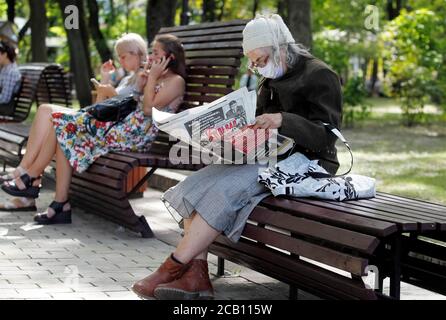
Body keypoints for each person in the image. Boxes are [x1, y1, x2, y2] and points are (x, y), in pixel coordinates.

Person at [132, 14, 343, 300]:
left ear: (281, 48)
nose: (257, 67)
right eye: (253, 63)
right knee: (199, 183)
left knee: (223, 190)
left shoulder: (320, 75)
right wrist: (229, 134)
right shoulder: (271, 76)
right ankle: (196, 276)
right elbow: (259, 120)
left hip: (308, 163)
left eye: (260, 60)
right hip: (269, 155)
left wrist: (283, 119)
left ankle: (171, 268)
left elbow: (327, 137)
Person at [0, 33, 186, 220]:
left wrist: (151, 78)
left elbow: (147, 110)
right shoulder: (151, 77)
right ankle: (59, 204)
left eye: (155, 53)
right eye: (151, 52)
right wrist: (144, 82)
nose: (151, 57)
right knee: (62, 128)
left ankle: (31, 178)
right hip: (122, 128)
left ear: (170, 57)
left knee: (61, 125)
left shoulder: (175, 81)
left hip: (135, 136)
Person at [0, 40, 21, 116]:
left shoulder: (11, 72)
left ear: (5, 54)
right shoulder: (4, 69)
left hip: (6, 108)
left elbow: (5, 98)